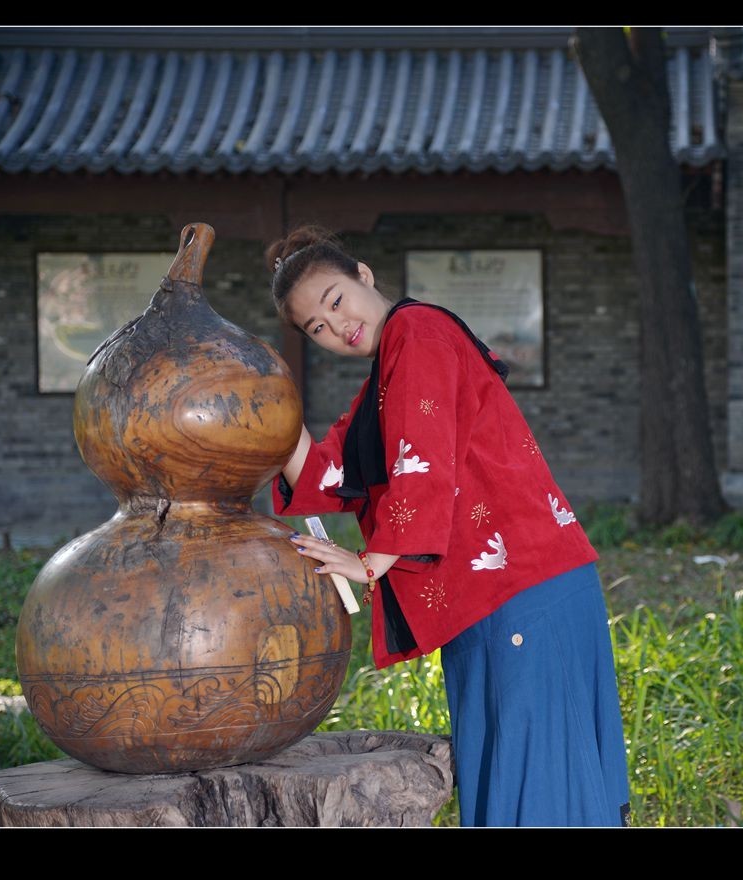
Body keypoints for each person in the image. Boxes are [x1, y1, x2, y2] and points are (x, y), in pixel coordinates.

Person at [265, 225, 631, 828]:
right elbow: (328, 473)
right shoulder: (384, 379)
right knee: (514, 780)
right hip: (488, 595)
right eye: (317, 328)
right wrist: (263, 398)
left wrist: (372, 561)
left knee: (536, 792)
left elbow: (422, 456)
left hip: (522, 588)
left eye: (335, 300)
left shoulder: (418, 330)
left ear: (363, 274)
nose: (337, 326)